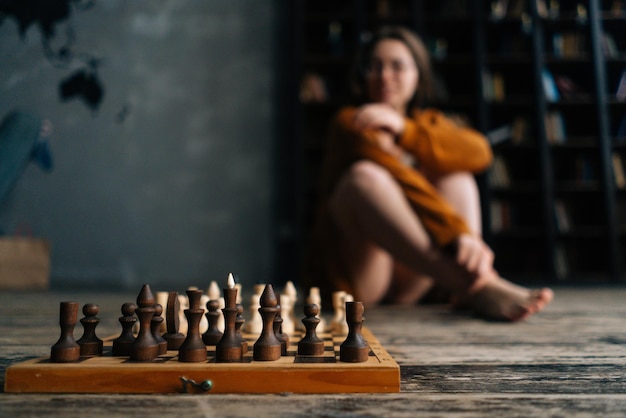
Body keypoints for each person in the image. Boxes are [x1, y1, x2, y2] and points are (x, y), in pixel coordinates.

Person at [306, 26, 553, 321]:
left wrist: (405, 130)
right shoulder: (351, 122)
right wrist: (456, 232)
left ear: (418, 75)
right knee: (364, 177)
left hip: (417, 280)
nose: (384, 76)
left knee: (456, 176)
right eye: (374, 66)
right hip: (365, 283)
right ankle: (474, 285)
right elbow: (399, 177)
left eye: (397, 66)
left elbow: (480, 152)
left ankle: (466, 283)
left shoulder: (429, 124)